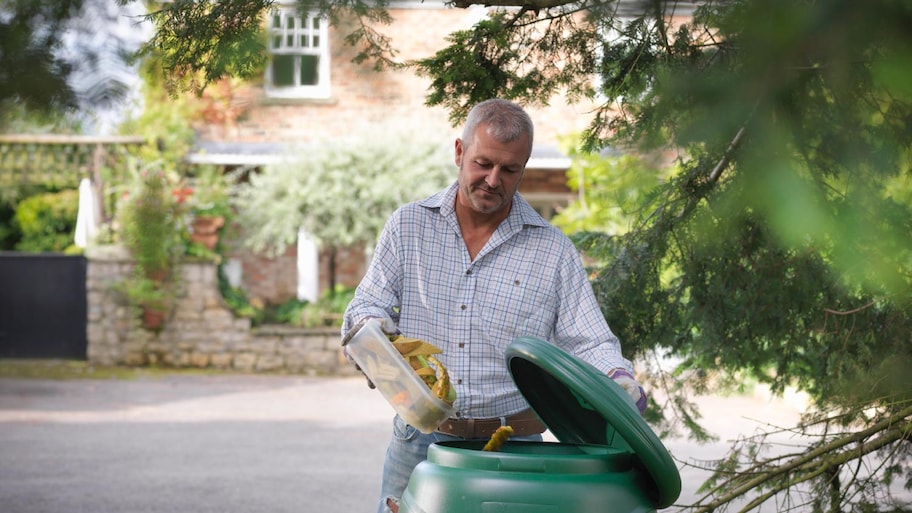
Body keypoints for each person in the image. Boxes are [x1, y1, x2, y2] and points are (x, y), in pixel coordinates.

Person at [342, 98, 646, 513]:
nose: (492, 179)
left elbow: (588, 339)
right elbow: (366, 305)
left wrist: (618, 378)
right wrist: (375, 334)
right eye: (483, 163)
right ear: (459, 152)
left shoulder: (552, 250)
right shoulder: (408, 226)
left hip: (517, 449)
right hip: (420, 442)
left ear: (524, 168)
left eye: (509, 169)